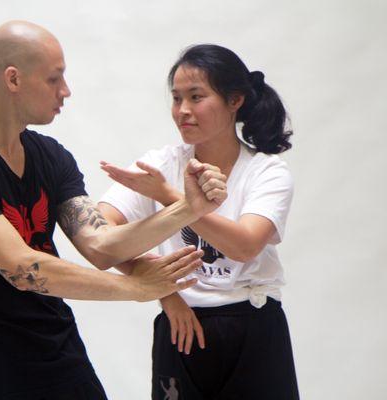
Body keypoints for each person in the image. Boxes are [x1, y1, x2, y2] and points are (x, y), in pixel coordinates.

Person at [0, 22, 226, 400]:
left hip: (62, 355)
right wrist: (135, 287)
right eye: (53, 79)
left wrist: (187, 209)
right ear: (13, 79)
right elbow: (23, 270)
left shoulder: (50, 156)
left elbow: (101, 245)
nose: (66, 91)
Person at [99, 44, 299, 399]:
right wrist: (164, 291)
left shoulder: (266, 172)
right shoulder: (162, 164)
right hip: (180, 326)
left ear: (234, 100)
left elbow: (244, 245)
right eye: (176, 99)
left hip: (252, 326)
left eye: (196, 97)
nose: (183, 111)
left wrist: (170, 198)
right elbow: (101, 236)